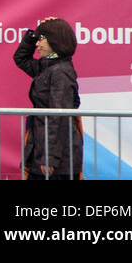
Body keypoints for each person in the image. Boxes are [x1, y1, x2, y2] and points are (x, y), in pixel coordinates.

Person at [12, 16, 82, 180]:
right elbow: (21, 59)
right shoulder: (47, 67)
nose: (37, 44)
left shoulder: (60, 73)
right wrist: (34, 34)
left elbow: (57, 117)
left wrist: (50, 158)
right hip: (43, 154)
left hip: (56, 162)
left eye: (42, 39)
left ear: (55, 41)